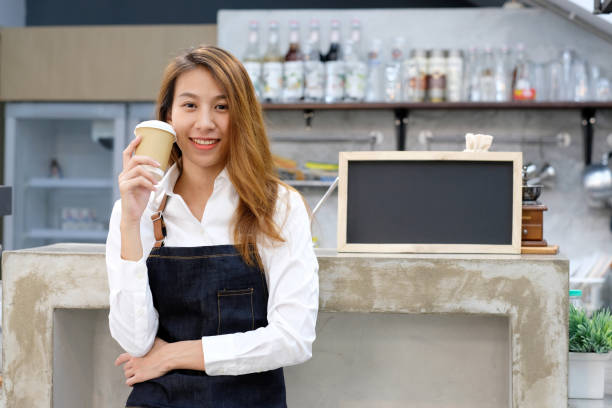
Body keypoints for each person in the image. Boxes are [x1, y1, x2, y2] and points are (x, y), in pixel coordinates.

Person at [105, 44, 319, 408]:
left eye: (222, 107)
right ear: (167, 117)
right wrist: (130, 221)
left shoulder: (278, 207)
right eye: (189, 105)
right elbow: (137, 341)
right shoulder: (137, 209)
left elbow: (293, 338)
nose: (205, 122)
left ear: (242, 117)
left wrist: (172, 355)